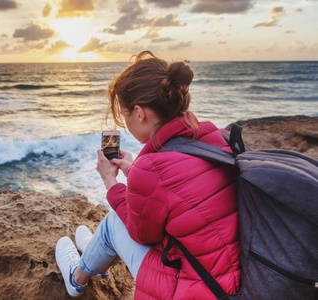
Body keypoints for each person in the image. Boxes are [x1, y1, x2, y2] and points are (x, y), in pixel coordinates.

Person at [55, 51, 241, 299]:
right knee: (114, 224)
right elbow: (178, 197)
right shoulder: (214, 137)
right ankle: (95, 256)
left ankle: (76, 278)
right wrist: (135, 172)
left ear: (140, 113)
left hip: (189, 288)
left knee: (112, 224)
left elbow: (141, 232)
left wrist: (111, 182)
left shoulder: (153, 168)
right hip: (229, 278)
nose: (126, 122)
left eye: (125, 115)